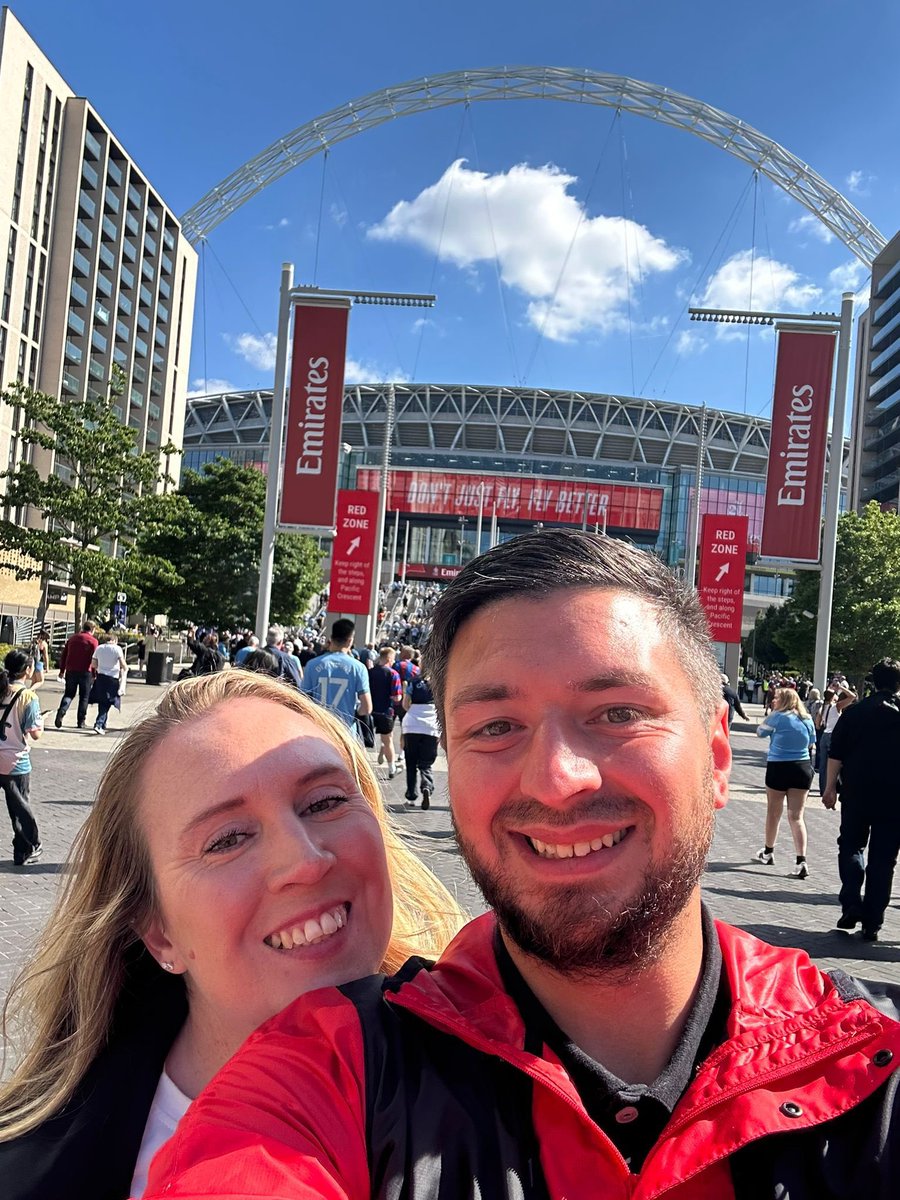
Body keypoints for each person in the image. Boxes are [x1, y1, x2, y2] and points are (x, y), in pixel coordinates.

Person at [146, 529, 900, 1200]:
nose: (557, 779)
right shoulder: (319, 1075)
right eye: (496, 726)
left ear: (713, 756)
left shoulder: (877, 1056)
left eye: (617, 713)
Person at [0, 671, 464, 1200]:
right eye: (227, 840)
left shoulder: (511, 1074)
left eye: (324, 802)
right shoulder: (36, 1171)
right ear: (159, 930)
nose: (304, 862)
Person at [823, 657, 900, 942]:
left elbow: (836, 754)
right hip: (894, 797)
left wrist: (830, 787)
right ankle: (873, 922)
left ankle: (852, 901)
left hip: (857, 792)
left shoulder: (854, 713)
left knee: (851, 845)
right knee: (884, 859)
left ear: (872, 681)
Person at [754, 687, 816, 878]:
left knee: (774, 812)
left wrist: (772, 716)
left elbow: (760, 732)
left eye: (776, 698)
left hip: (779, 765)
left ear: (783, 701)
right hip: (802, 767)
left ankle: (768, 851)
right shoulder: (807, 719)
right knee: (796, 816)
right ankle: (801, 860)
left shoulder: (778, 717)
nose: (774, 700)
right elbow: (811, 741)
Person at [0, 651, 43, 866]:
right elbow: (34, 732)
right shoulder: (28, 697)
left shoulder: (1, 689)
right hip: (15, 761)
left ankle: (26, 848)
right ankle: (27, 846)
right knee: (19, 805)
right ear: (27, 670)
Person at [301, 618, 371, 736]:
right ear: (350, 641)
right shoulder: (358, 668)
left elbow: (302, 699)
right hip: (345, 731)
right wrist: (355, 713)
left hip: (319, 729)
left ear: (331, 638)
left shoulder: (312, 665)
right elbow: (367, 707)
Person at [402, 668, 439, 809]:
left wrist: (412, 710)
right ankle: (427, 787)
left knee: (411, 763)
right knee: (426, 762)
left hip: (411, 724)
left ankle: (411, 796)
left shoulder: (413, 682)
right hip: (431, 725)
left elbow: (406, 704)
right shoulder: (437, 682)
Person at [54, 620, 99, 730]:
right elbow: (93, 659)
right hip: (85, 672)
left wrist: (62, 670)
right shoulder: (93, 641)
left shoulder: (72, 639)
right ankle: (81, 721)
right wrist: (94, 674)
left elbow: (64, 655)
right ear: (92, 629)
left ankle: (62, 711)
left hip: (71, 670)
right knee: (84, 697)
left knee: (69, 694)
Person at [817, 684, 856, 795]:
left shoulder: (822, 707)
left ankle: (822, 788)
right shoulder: (836, 706)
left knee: (823, 765)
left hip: (824, 735)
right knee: (836, 762)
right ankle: (836, 786)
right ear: (833, 696)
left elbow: (818, 724)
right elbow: (852, 696)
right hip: (833, 735)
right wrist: (841, 688)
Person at [369, 647, 401, 777]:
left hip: (370, 711)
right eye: (393, 659)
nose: (393, 662)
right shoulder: (393, 674)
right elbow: (397, 697)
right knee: (388, 740)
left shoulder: (369, 672)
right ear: (389, 658)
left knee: (363, 741)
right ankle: (391, 768)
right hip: (386, 711)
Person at [88, 633, 126, 736]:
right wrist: (124, 672)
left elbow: (94, 664)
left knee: (103, 700)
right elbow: (123, 664)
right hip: (112, 678)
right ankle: (99, 724)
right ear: (115, 640)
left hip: (101, 677)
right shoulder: (117, 649)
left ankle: (103, 724)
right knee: (108, 702)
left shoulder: (99, 648)